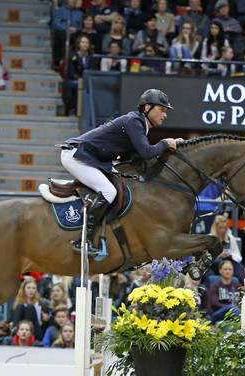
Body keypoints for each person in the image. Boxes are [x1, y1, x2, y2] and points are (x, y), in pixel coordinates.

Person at [60, 89, 177, 257]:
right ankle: (84, 240)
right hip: (76, 156)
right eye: (162, 110)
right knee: (109, 190)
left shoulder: (140, 123)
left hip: (89, 157)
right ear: (147, 108)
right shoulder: (134, 122)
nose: (165, 115)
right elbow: (146, 152)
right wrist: (166, 143)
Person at [11, 276, 51, 341]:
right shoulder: (17, 303)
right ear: (24, 289)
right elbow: (13, 318)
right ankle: (15, 331)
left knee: (30, 307)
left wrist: (44, 320)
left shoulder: (42, 304)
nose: (31, 290)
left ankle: (27, 332)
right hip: (20, 330)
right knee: (20, 306)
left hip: (35, 331)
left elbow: (45, 326)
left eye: (33, 288)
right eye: (28, 288)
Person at [62, 34, 93, 117]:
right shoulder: (73, 55)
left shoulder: (91, 57)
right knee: (76, 85)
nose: (85, 44)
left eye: (87, 42)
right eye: (83, 42)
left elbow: (92, 70)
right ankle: (72, 108)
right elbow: (70, 71)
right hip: (74, 79)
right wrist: (79, 79)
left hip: (87, 80)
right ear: (79, 44)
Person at [209, 214, 245, 280]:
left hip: (228, 260)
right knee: (221, 263)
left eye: (224, 228)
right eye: (220, 228)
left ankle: (243, 287)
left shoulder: (230, 238)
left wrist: (230, 255)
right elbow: (205, 256)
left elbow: (238, 256)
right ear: (215, 227)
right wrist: (218, 254)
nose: (222, 230)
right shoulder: (210, 238)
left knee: (242, 268)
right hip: (214, 262)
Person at [204, 260, 242, 324]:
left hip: (235, 312)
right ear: (220, 271)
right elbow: (215, 304)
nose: (228, 271)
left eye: (230, 269)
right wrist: (230, 307)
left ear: (233, 271)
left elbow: (242, 302)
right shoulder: (215, 287)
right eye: (225, 269)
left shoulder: (238, 287)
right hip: (218, 313)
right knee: (231, 307)